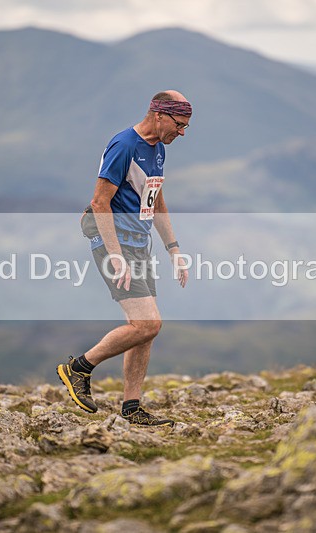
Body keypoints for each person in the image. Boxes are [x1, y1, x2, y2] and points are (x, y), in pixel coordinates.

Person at [57, 90, 192, 427]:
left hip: (139, 243)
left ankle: (132, 407)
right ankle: (78, 368)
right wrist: (115, 256)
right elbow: (100, 202)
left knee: (145, 329)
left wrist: (173, 248)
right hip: (115, 244)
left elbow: (156, 199)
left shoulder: (158, 148)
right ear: (159, 115)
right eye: (180, 124)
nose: (183, 132)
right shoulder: (123, 146)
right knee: (147, 323)